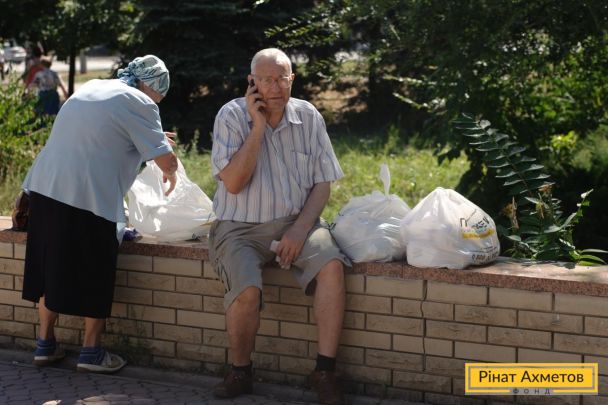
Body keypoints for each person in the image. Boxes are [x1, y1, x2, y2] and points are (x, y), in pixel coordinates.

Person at [209, 48, 350, 405]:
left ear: (292, 80)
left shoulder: (308, 115)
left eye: (282, 79)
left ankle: (325, 371)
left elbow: (323, 183)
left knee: (332, 267)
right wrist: (257, 127)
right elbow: (234, 183)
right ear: (252, 82)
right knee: (247, 291)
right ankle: (241, 371)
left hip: (297, 221)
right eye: (266, 80)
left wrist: (300, 229)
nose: (275, 87)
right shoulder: (231, 116)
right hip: (239, 226)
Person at [21, 55, 177, 374]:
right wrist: (170, 166)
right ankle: (91, 352)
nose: (159, 101)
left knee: (50, 266)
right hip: (88, 196)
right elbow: (166, 162)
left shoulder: (93, 86)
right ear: (152, 86)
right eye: (160, 95)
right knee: (95, 270)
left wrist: (154, 141)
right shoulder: (141, 102)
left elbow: (101, 136)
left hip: (45, 187)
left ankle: (45, 344)